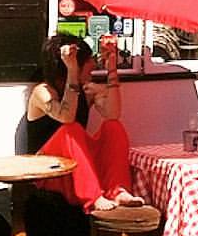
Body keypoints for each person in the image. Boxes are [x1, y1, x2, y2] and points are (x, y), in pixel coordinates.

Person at [20, 31, 143, 212]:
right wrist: (72, 70)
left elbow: (113, 114)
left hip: (77, 169)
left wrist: (112, 69)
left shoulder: (88, 89)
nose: (93, 64)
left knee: (113, 127)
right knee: (71, 129)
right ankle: (92, 198)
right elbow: (67, 117)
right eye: (87, 61)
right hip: (48, 171)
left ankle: (118, 190)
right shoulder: (43, 92)